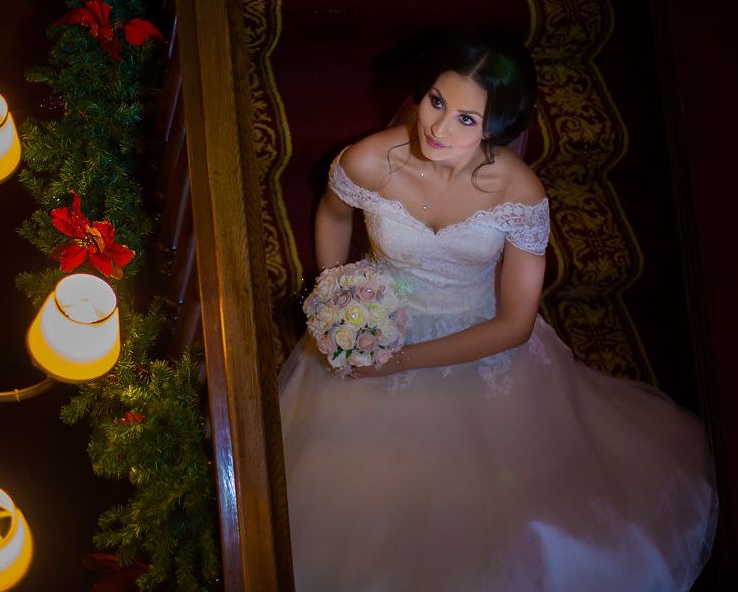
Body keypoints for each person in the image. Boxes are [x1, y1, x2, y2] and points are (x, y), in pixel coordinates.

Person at [278, 29, 718, 591]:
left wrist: (402, 361)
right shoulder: (368, 160)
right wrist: (338, 291)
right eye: (437, 101)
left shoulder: (520, 194)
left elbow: (514, 324)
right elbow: (334, 213)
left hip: (480, 340)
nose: (438, 128)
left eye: (467, 118)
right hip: (377, 326)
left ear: (498, 126)